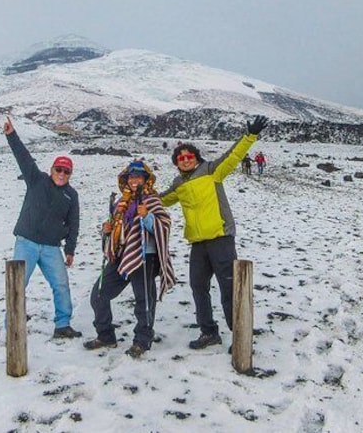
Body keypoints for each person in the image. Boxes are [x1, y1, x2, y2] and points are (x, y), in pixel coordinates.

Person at [160, 115, 268, 350]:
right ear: (176, 163)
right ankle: (208, 332)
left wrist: (250, 136)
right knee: (198, 287)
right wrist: (138, 198)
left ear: (196, 158)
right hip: (198, 243)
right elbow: (161, 201)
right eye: (181, 158)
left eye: (189, 156)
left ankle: (240, 334)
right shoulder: (178, 185)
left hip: (221, 239)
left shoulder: (211, 171)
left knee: (229, 288)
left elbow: (233, 156)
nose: (185, 160)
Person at [85, 160, 176, 358]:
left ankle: (142, 340)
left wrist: (148, 218)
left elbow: (165, 225)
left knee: (144, 301)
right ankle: (106, 335)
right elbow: (116, 227)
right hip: (120, 256)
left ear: (146, 179)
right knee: (99, 295)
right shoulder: (120, 203)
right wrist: (106, 230)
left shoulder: (152, 200)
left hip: (144, 255)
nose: (134, 180)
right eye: (131, 177)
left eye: (139, 176)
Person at [3, 116, 82, 339]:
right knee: (18, 284)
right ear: (52, 169)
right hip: (26, 242)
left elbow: (73, 224)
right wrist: (11, 135)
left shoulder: (71, 195)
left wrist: (70, 250)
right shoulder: (36, 179)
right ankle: (11, 329)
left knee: (61, 285)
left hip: (51, 248)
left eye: (66, 172)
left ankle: (63, 325)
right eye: (59, 169)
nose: (62, 174)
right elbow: (23, 157)